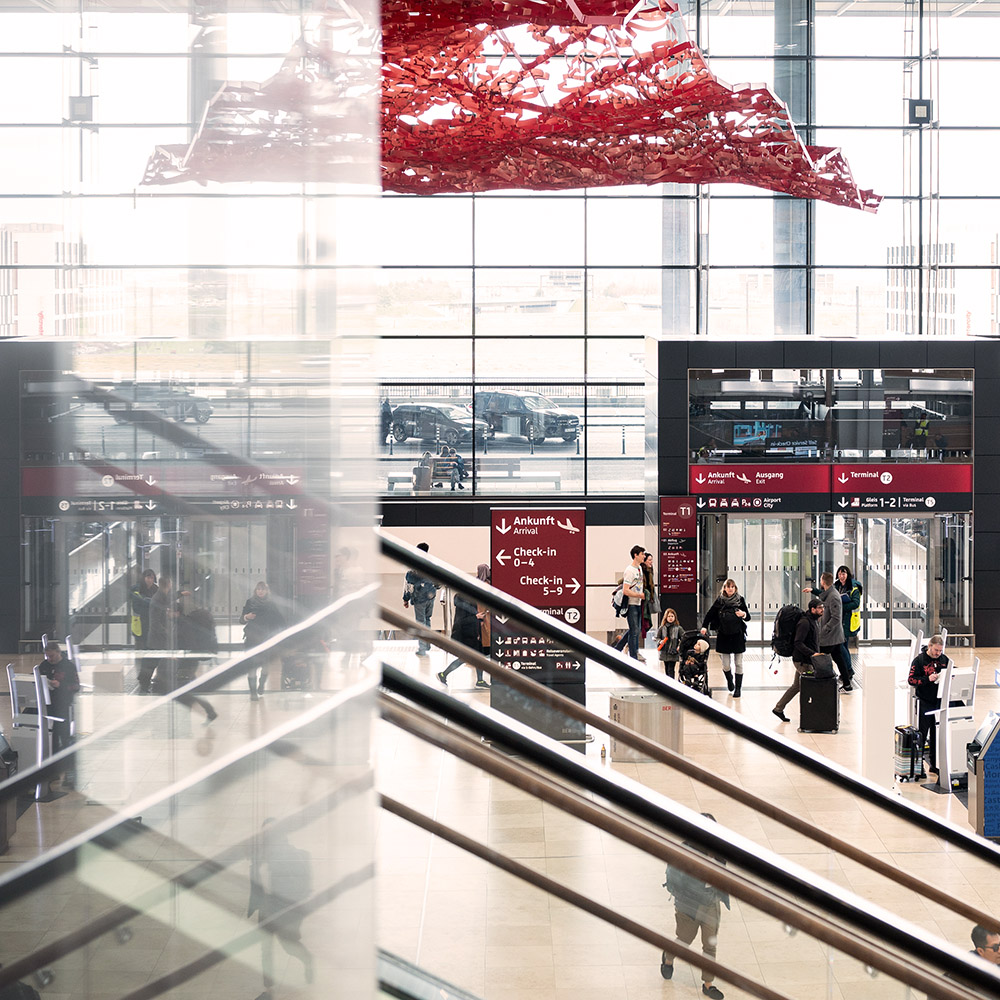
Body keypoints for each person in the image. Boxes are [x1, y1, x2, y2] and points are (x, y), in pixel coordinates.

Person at [660, 812, 729, 999]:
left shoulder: (720, 849)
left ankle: (708, 984)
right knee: (684, 940)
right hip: (689, 904)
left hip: (711, 902)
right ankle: (668, 957)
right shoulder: (685, 849)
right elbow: (675, 876)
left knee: (709, 945)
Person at [248, 819, 314, 991]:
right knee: (266, 947)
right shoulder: (259, 855)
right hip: (265, 907)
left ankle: (307, 960)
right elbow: (256, 881)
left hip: (283, 907)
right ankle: (268, 987)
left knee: (288, 945)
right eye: (265, 832)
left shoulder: (288, 853)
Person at [772, 599, 825, 723]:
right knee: (810, 687)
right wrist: (813, 653)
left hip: (807, 660)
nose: (822, 610)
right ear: (812, 609)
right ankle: (811, 716)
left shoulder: (813, 621)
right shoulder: (805, 623)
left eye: (822, 607)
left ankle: (778, 708)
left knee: (796, 686)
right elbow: (798, 643)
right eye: (819, 608)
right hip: (803, 661)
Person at [38, 641, 80, 788]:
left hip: (63, 707)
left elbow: (76, 686)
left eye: (52, 656)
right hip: (49, 707)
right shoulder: (44, 666)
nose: (50, 659)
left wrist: (60, 685)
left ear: (59, 652)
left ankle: (70, 772)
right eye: (47, 656)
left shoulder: (68, 666)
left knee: (65, 738)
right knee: (52, 740)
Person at [437, 573, 490, 688]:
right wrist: (476, 617)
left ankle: (480, 680)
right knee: (465, 659)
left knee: (478, 657)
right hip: (465, 634)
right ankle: (443, 674)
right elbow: (461, 622)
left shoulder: (469, 600)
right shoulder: (464, 601)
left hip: (472, 633)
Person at [700, 579, 751, 697]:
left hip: (737, 635)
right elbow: (710, 614)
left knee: (738, 663)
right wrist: (704, 626)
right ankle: (729, 679)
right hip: (724, 635)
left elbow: (748, 617)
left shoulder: (740, 600)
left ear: (735, 588)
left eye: (733, 587)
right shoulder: (720, 601)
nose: (730, 589)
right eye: (728, 587)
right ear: (724, 588)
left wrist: (743, 614)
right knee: (726, 664)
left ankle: (738, 689)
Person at [908, 634, 949, 777]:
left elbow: (952, 672)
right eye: (936, 650)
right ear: (930, 646)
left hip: (938, 702)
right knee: (922, 734)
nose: (938, 653)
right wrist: (927, 679)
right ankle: (918, 767)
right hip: (924, 702)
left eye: (940, 651)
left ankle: (934, 764)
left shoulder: (944, 660)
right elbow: (911, 680)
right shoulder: (919, 661)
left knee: (936, 734)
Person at [803, 572, 853, 691]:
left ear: (823, 582)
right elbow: (822, 594)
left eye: (821, 579)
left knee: (819, 658)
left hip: (830, 636)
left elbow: (836, 618)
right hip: (832, 635)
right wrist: (812, 590)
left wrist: (823, 630)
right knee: (838, 658)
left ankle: (823, 682)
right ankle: (846, 684)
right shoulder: (829, 593)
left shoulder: (834, 597)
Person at [175, 591, 219, 724]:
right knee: (193, 688)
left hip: (187, 660)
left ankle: (184, 718)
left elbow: (188, 642)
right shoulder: (185, 621)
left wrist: (181, 656)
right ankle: (210, 711)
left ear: (176, 613)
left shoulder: (183, 623)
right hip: (189, 658)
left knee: (183, 687)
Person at [241, 581, 286, 700]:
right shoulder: (250, 602)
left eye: (263, 589)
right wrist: (247, 617)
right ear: (255, 591)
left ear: (267, 591)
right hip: (252, 638)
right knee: (252, 666)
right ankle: (253, 693)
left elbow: (280, 621)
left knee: (265, 666)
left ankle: (261, 684)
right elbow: (241, 619)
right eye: (258, 589)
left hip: (266, 639)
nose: (260, 591)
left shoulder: (271, 604)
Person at [403, 543, 438, 658]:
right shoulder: (432, 564)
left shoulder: (414, 565)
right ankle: (427, 644)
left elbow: (408, 584)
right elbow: (438, 580)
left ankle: (422, 648)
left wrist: (406, 599)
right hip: (431, 596)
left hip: (419, 598)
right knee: (427, 619)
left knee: (420, 622)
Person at [146, 574, 179, 695]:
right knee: (155, 662)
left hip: (160, 636)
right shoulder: (158, 598)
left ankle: (157, 683)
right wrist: (165, 631)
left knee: (159, 661)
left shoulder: (162, 596)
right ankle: (149, 683)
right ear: (168, 584)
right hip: (158, 637)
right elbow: (155, 621)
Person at [132, 568, 158, 693]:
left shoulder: (156, 590)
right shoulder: (137, 590)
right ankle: (143, 679)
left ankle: (145, 679)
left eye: (152, 577)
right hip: (141, 627)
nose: (150, 580)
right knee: (144, 654)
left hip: (153, 627)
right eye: (148, 577)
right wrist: (151, 605)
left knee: (150, 654)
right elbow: (137, 606)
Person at [622, 545, 645, 659]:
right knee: (634, 631)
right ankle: (633, 656)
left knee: (635, 630)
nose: (644, 556)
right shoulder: (629, 571)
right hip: (631, 604)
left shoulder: (639, 569)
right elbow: (625, 590)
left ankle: (618, 649)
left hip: (638, 603)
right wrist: (639, 595)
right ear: (636, 555)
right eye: (642, 554)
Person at [657, 608, 683, 679]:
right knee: (666, 668)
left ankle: (671, 683)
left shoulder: (678, 628)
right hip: (664, 652)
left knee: (671, 669)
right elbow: (657, 637)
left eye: (672, 616)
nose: (670, 618)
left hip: (673, 652)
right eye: (669, 616)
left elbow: (684, 638)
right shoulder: (662, 628)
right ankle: (668, 682)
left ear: (675, 617)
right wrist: (660, 641)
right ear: (666, 617)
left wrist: (679, 646)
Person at [641, 552, 660, 640]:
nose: (651, 562)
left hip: (647, 600)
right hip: (642, 600)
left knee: (642, 624)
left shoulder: (650, 571)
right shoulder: (642, 571)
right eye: (649, 560)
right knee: (641, 624)